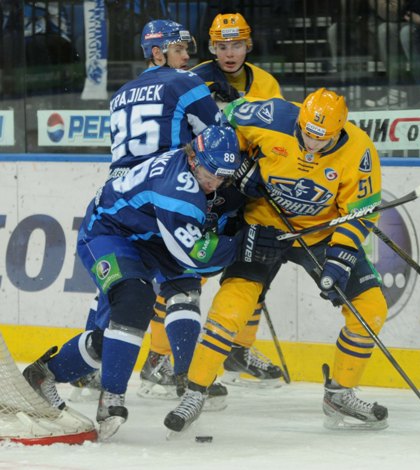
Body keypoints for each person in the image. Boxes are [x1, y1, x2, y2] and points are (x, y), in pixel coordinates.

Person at [22, 125, 286, 440]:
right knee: (134, 300)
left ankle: (187, 379)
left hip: (153, 236)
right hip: (110, 233)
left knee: (185, 291)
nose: (213, 183)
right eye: (209, 173)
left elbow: (214, 220)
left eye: (222, 177)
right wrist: (243, 245)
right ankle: (104, 394)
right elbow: (196, 256)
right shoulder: (177, 189)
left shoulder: (204, 173)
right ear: (193, 159)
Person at [164, 88, 390, 434]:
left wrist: (340, 260)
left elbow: (361, 212)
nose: (312, 144)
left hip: (321, 235)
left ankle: (340, 393)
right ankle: (196, 390)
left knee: (371, 309)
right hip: (263, 225)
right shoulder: (271, 117)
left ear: (339, 130)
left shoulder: (360, 150)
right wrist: (241, 166)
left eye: (322, 139)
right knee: (230, 308)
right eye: (307, 134)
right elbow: (226, 120)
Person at [65, 18, 226, 404]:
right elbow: (217, 136)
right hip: (166, 192)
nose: (187, 56)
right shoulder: (186, 82)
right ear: (157, 52)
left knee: (120, 287)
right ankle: (185, 374)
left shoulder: (121, 93)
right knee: (182, 280)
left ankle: (88, 369)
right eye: (179, 49)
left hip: (119, 195)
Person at [191, 11, 286, 387]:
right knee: (189, 272)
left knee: (254, 270)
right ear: (212, 47)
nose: (229, 54)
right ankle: (159, 357)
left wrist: (260, 173)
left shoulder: (266, 83)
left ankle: (238, 350)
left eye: (236, 45)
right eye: (221, 46)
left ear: (249, 45)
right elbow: (179, 134)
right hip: (206, 187)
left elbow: (279, 137)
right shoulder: (195, 80)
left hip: (250, 190)